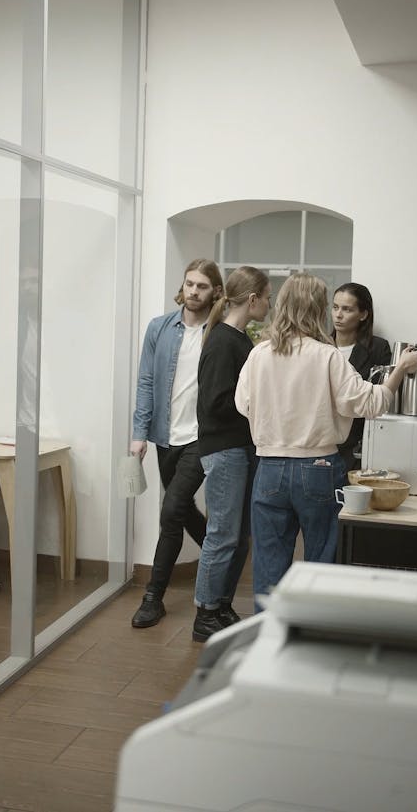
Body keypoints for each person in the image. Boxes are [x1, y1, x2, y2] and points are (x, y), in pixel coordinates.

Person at [234, 273, 417, 607]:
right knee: (322, 562)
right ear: (318, 308)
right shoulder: (328, 356)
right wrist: (399, 370)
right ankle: (314, 638)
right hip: (318, 467)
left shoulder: (259, 355)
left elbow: (242, 404)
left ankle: (268, 639)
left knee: (268, 565)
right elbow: (371, 404)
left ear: (283, 305)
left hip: (269, 467)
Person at [130, 258, 224, 628]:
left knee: (171, 512)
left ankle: (153, 597)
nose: (193, 291)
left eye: (202, 286)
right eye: (189, 284)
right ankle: (227, 558)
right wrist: (139, 434)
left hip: (203, 437)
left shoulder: (219, 332)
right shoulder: (159, 328)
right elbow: (147, 383)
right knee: (181, 509)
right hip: (165, 435)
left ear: (215, 291)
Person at [192, 266, 271, 642]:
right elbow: (215, 402)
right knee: (222, 534)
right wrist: (256, 406)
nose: (270, 305)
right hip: (224, 450)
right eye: (267, 297)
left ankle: (220, 604)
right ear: (252, 299)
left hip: (238, 449)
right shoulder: (224, 341)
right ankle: (205, 612)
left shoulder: (238, 339)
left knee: (239, 537)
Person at [331, 282, 392, 472]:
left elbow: (379, 397)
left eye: (347, 309)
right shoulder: (319, 346)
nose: (338, 315)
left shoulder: (378, 348)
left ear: (363, 314)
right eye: (335, 307)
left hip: (359, 443)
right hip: (322, 441)